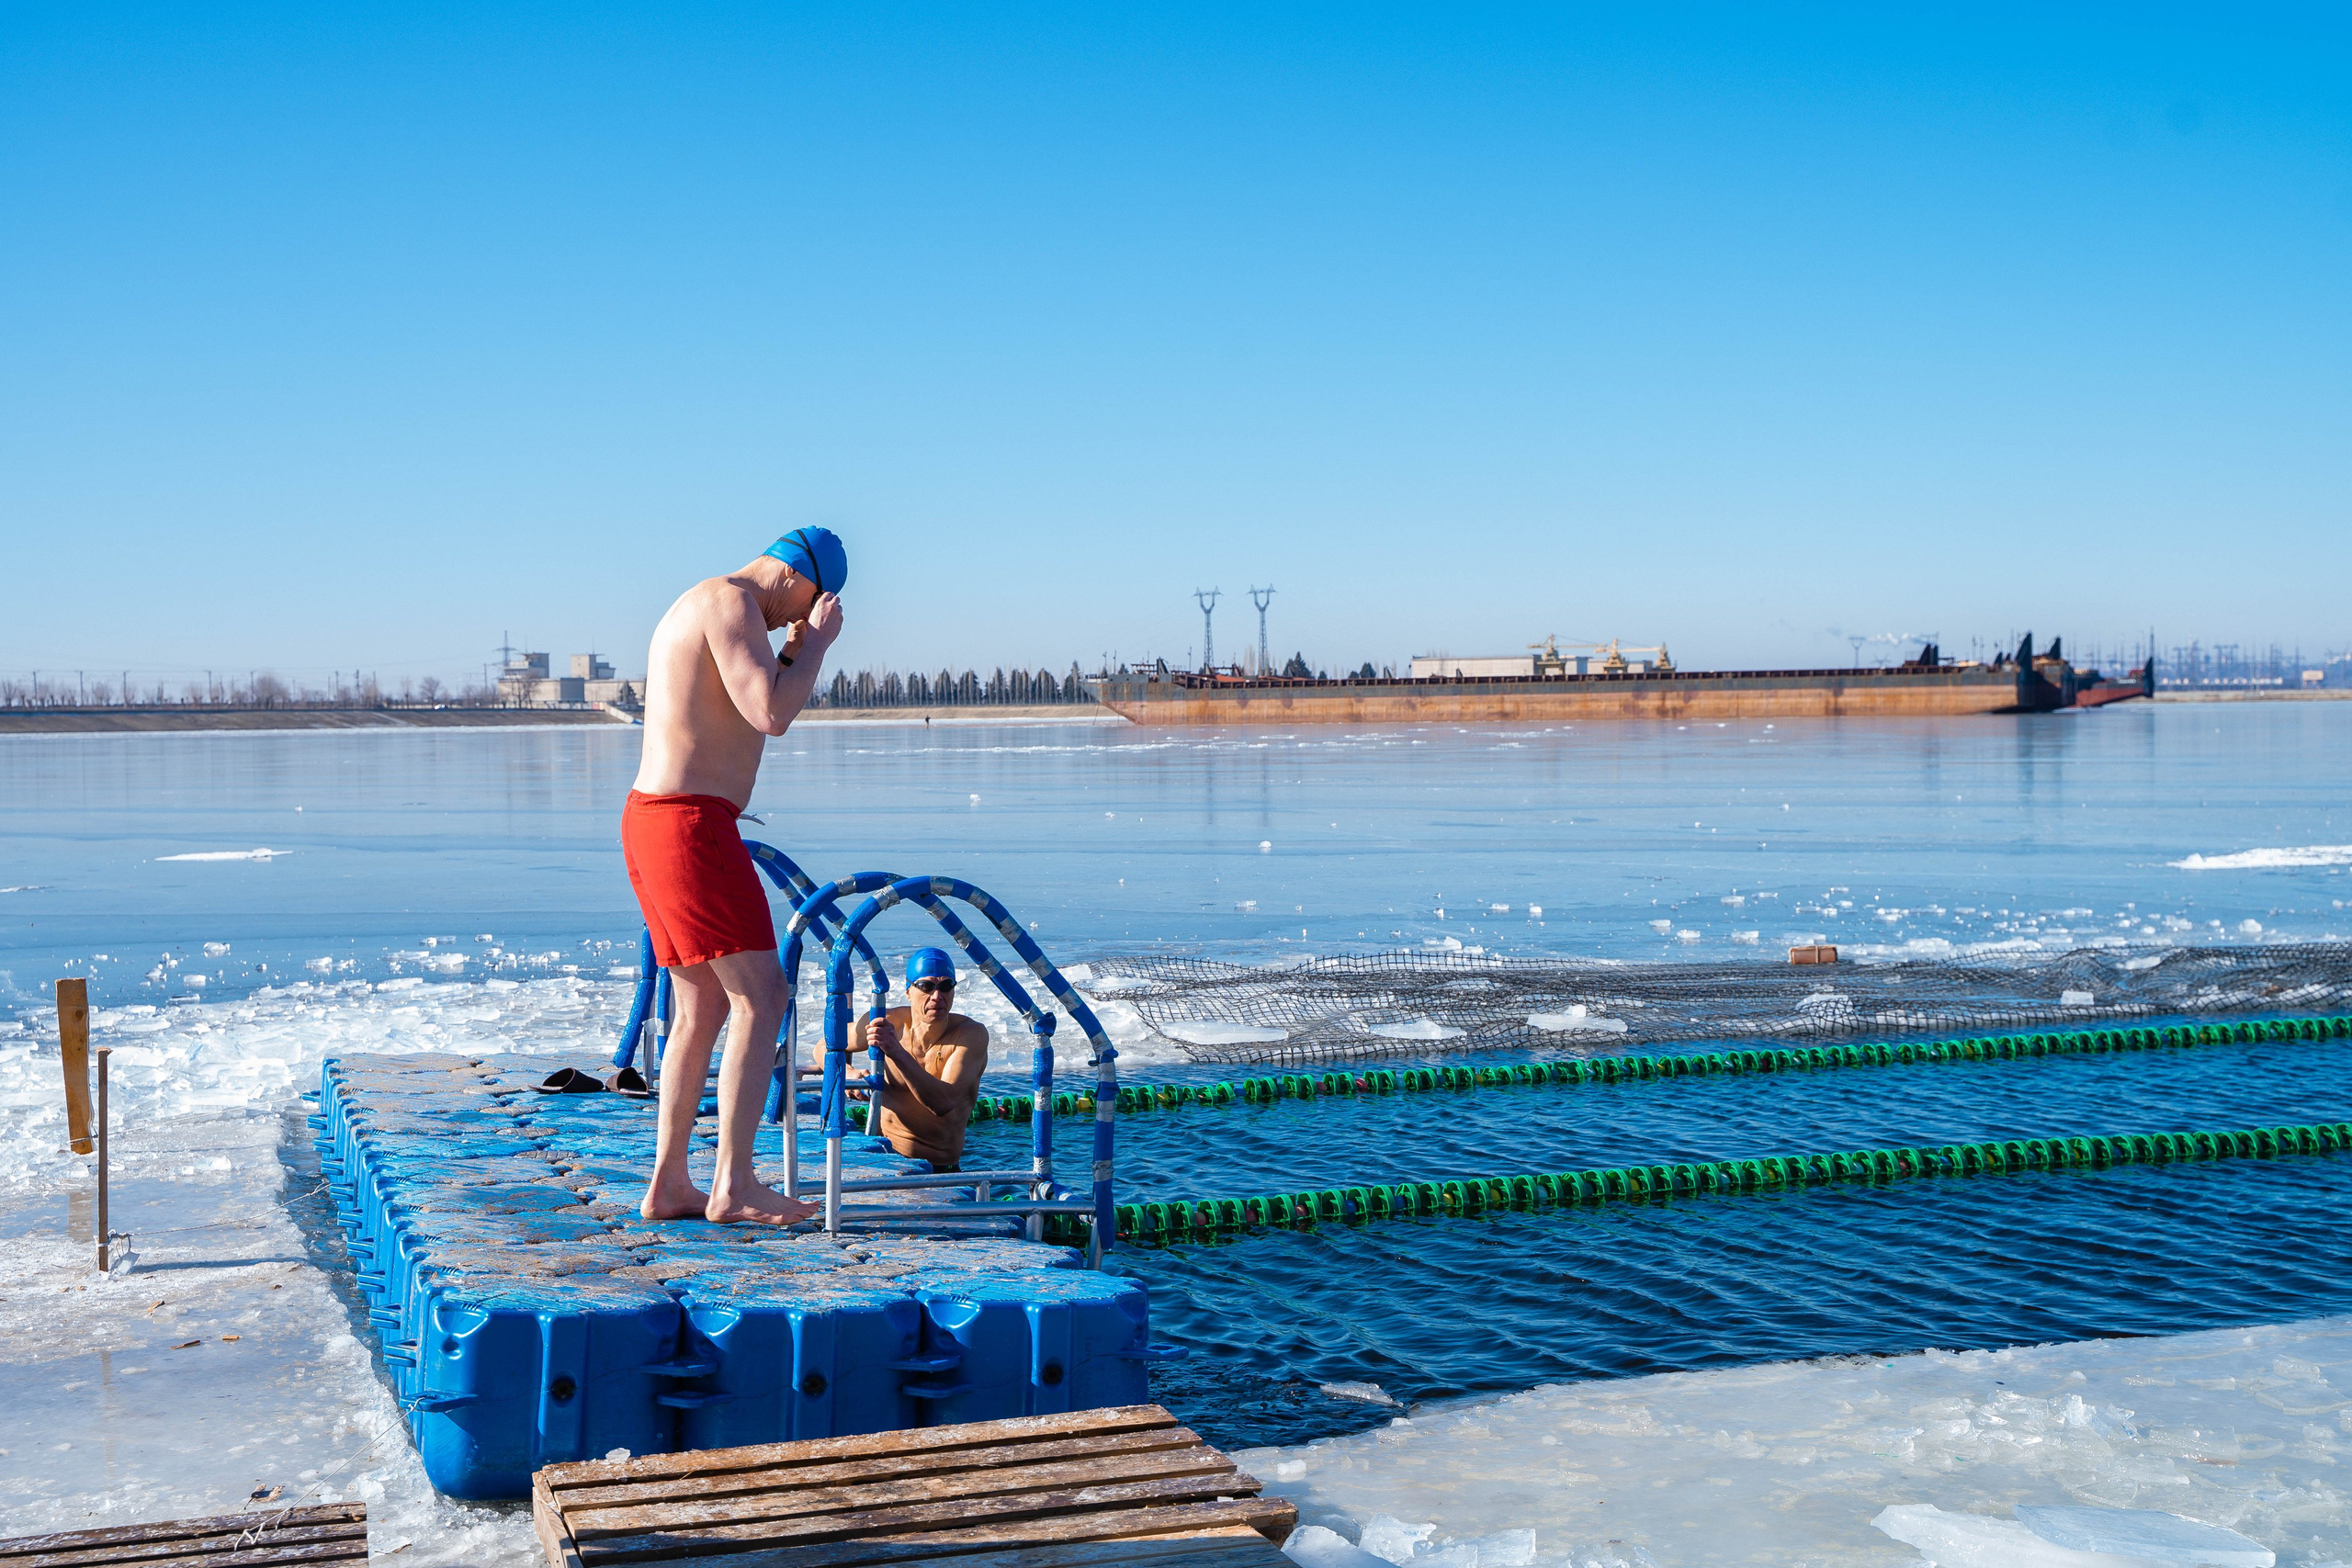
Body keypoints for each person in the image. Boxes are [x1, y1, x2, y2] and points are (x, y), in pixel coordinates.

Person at [621, 527, 848, 1224]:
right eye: (808, 603)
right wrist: (819, 646)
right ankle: (735, 1183)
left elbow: (741, 712)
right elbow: (771, 713)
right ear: (794, 574)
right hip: (690, 824)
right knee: (764, 995)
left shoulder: (701, 603)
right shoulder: (733, 603)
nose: (798, 619)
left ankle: (668, 1183)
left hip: (655, 819)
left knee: (703, 1006)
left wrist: (793, 651)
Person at [860, 947, 990, 1172]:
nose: (937, 996)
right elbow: (826, 1046)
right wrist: (849, 1074)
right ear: (909, 991)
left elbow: (942, 1103)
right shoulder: (890, 1022)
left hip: (939, 1169)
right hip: (884, 1161)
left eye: (946, 986)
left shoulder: (970, 1036)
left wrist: (896, 1051)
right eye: (927, 986)